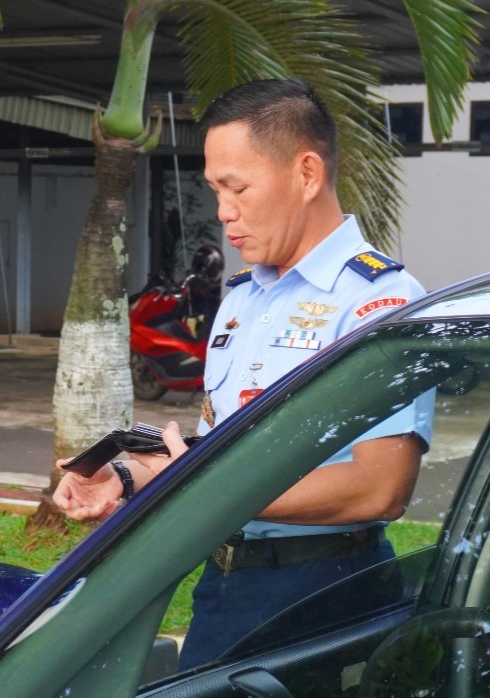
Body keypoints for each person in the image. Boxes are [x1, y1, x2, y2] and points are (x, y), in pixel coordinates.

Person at [54, 78, 433, 667]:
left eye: (238, 188)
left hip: (324, 593)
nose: (224, 213)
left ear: (306, 174)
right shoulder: (243, 297)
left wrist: (204, 486)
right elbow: (223, 450)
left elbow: (380, 489)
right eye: (215, 190)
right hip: (226, 585)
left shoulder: (377, 302)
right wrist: (130, 477)